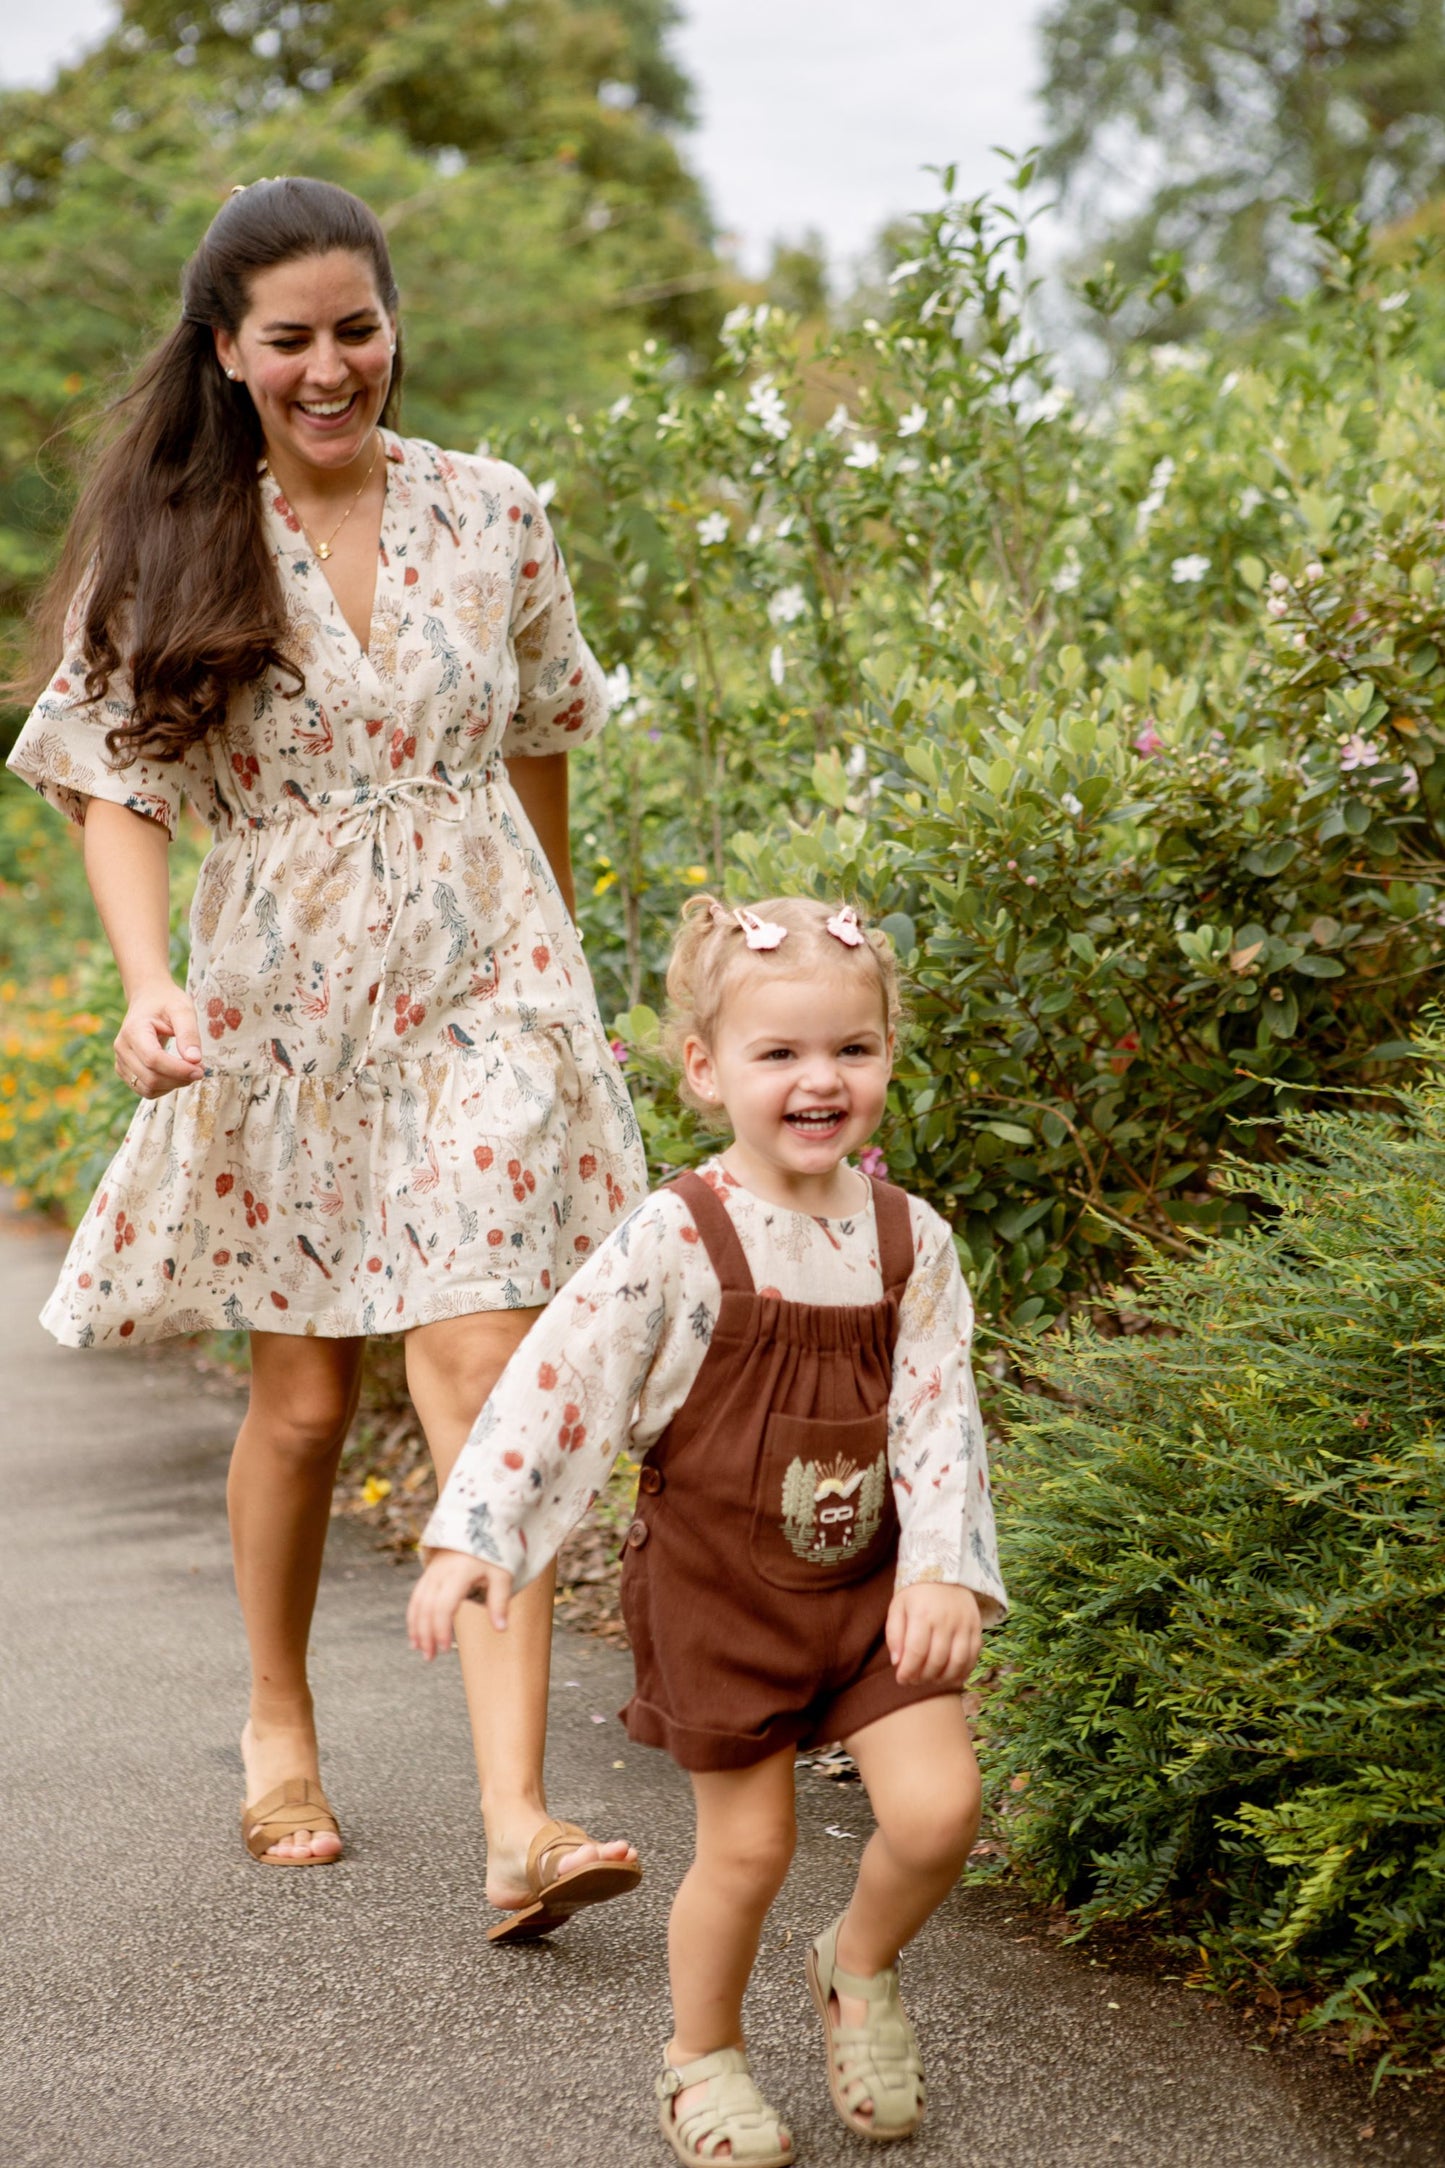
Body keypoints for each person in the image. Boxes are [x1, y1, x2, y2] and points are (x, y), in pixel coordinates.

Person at [7, 176, 645, 1920]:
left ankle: (517, 1813)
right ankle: (277, 1714)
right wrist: (148, 984)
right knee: (299, 1397)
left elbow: (539, 736)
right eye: (286, 337)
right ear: (227, 351)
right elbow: (112, 779)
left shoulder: (493, 510)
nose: (328, 364)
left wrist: (560, 954)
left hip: (483, 974)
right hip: (280, 1000)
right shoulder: (179, 540)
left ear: (393, 327)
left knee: (479, 1349)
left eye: (354, 328)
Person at [409, 894, 1007, 2163]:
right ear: (704, 1065)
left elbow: (939, 1416)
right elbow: (556, 1381)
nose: (818, 1078)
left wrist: (946, 1567)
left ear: (887, 1053)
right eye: (778, 1052)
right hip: (718, 1597)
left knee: (940, 1810)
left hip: (871, 1594)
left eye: (851, 1048)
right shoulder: (677, 1234)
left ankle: (854, 1962)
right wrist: (481, 1532)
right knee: (748, 1848)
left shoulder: (911, 1243)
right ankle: (701, 2054)